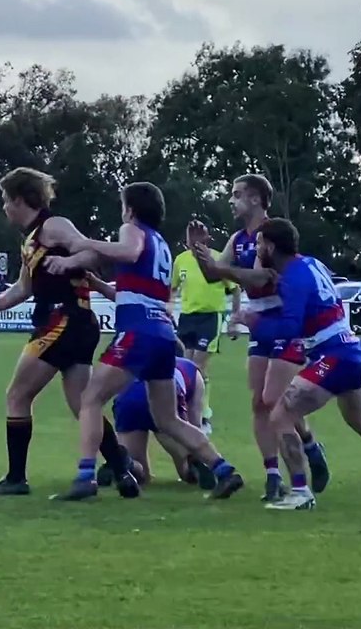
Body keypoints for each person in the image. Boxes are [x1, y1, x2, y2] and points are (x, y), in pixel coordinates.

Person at [47, 181, 243, 501]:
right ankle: (223, 469)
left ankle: (85, 477)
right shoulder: (162, 244)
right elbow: (139, 293)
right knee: (167, 418)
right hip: (163, 334)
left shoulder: (132, 230)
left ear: (131, 208)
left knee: (91, 399)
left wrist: (83, 244)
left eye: (123, 205)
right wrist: (99, 284)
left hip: (138, 333)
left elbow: (128, 251)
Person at [0, 168, 137, 497]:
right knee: (82, 405)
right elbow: (21, 289)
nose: (3, 208)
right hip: (75, 323)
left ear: (18, 199)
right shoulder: (30, 239)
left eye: (4, 200)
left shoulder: (52, 225)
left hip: (63, 320)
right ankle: (122, 468)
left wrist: (70, 264)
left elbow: (90, 253)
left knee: (17, 395)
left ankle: (16, 478)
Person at [245, 218, 361, 509]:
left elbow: (290, 328)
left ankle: (300, 492)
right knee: (359, 418)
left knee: (280, 416)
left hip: (334, 356)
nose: (257, 248)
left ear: (272, 246)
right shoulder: (312, 264)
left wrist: (256, 323)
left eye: (260, 243)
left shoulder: (292, 278)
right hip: (351, 350)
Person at [187, 174, 330, 502]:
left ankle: (308, 446)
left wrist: (220, 266)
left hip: (283, 323)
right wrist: (199, 252)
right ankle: (272, 475)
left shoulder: (273, 233)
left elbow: (262, 276)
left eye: (237, 194)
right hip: (259, 325)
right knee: (260, 402)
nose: (231, 200)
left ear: (255, 199)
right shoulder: (238, 239)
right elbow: (213, 275)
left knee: (277, 401)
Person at [105, 345, 216, 490]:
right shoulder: (191, 369)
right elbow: (194, 423)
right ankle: (193, 467)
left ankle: (127, 463)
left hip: (130, 400)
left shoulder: (138, 363)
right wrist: (194, 450)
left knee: (141, 474)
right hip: (166, 400)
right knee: (186, 467)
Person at [169, 243, 233, 431]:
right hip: (188, 317)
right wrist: (170, 305)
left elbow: (234, 288)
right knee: (183, 365)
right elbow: (173, 288)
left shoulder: (218, 257)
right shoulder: (180, 260)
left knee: (198, 366)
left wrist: (235, 318)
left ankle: (204, 414)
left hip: (211, 317)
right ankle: (185, 411)